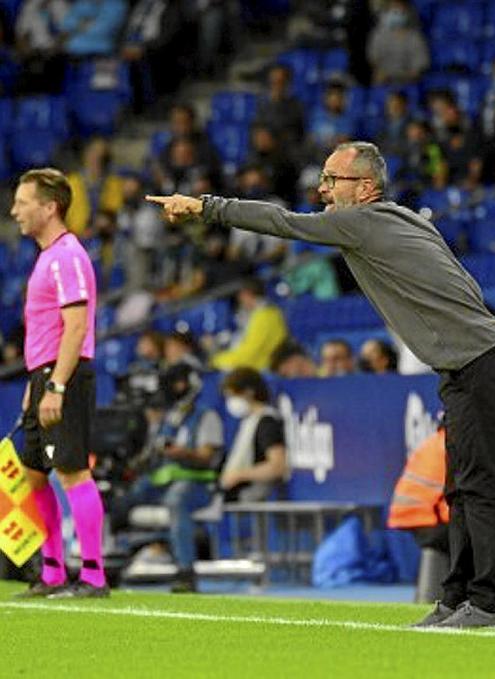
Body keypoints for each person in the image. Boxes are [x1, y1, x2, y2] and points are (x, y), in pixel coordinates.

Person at [147, 140, 495, 629]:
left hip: (476, 361)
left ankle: (486, 603)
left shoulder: (358, 221)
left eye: (331, 180)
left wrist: (206, 207)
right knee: (458, 487)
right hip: (468, 362)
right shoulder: (405, 219)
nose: (322, 189)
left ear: (365, 188)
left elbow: (283, 223)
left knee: (477, 486)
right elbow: (465, 286)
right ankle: (456, 597)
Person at [11, 168, 107, 598]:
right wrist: (37, 382)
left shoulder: (68, 255)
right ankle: (52, 571)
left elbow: (75, 326)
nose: (14, 210)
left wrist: (58, 385)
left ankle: (93, 575)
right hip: (44, 374)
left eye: (23, 202)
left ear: (50, 207)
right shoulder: (47, 256)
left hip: (64, 375)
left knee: (73, 473)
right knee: (34, 475)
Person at [110, 362, 224, 593]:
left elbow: (207, 456)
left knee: (176, 500)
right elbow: (150, 455)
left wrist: (182, 452)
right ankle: (110, 561)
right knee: (119, 498)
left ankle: (185, 572)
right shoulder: (168, 418)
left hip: (198, 485)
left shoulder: (206, 416)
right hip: (162, 482)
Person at [219, 368, 288, 501]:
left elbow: (278, 466)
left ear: (249, 392)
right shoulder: (249, 420)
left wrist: (239, 475)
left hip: (258, 497)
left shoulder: (267, 422)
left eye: (232, 396)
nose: (230, 402)